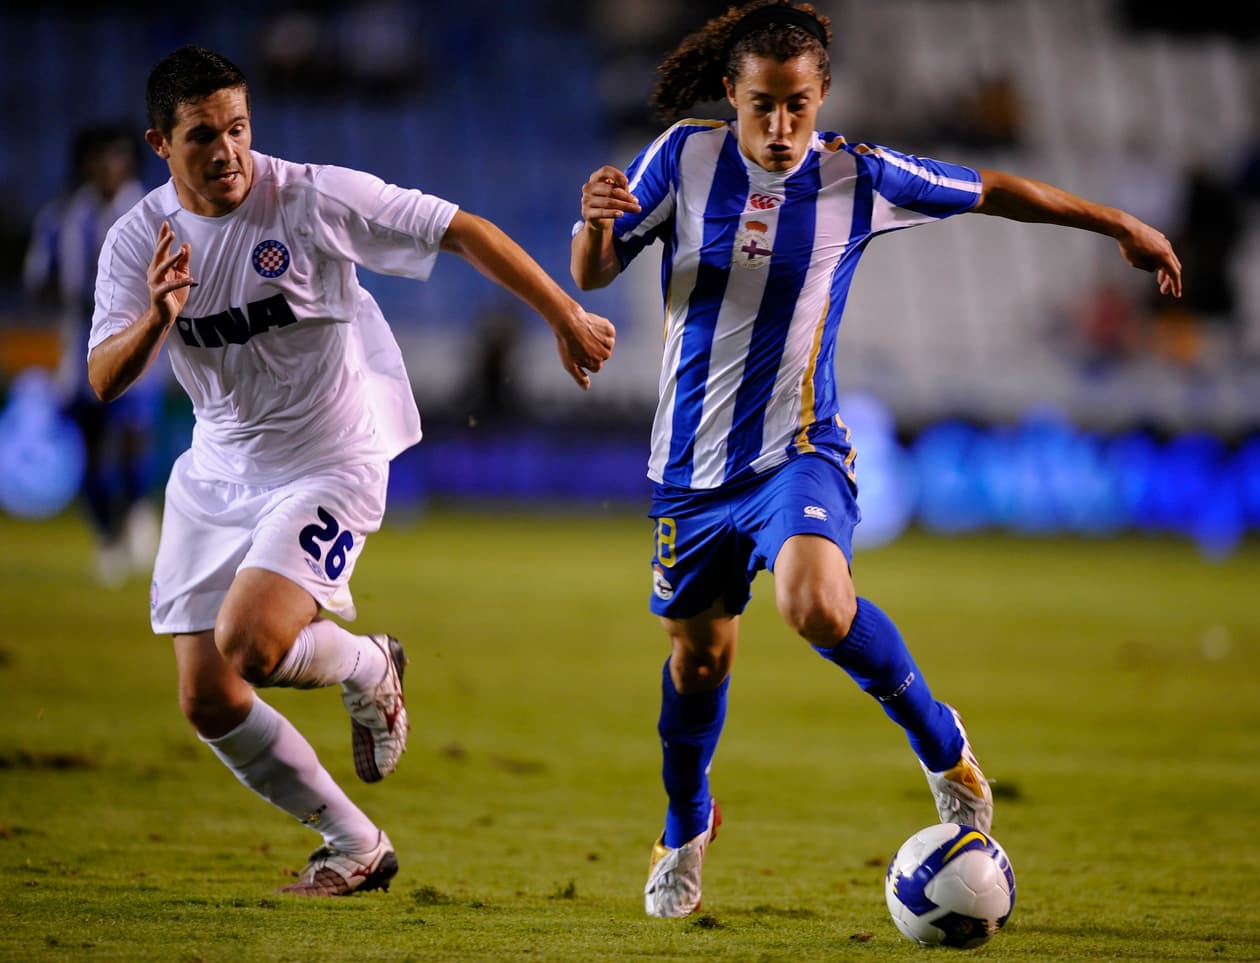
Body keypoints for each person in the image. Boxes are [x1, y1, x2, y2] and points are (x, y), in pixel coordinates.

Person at [570, 0, 1181, 919]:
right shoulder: (681, 159)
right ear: (731, 95)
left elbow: (996, 189)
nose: (780, 128)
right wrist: (592, 221)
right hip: (688, 469)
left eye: (798, 106)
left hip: (799, 450)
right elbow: (593, 271)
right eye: (763, 106)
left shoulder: (861, 175)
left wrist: (1118, 224)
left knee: (814, 602)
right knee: (698, 662)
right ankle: (686, 825)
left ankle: (943, 747)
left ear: (822, 97)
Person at [89, 45, 615, 896]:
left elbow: (460, 228)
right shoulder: (134, 243)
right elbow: (103, 378)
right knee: (207, 700)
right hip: (218, 469)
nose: (226, 151)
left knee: (252, 643)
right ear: (160, 143)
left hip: (330, 458)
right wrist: (156, 318)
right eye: (201, 137)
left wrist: (563, 313)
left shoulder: (310, 195)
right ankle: (355, 844)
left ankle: (371, 665)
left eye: (238, 128)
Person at [24, 125, 162, 586]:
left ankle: (138, 512)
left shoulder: (151, 209)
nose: (109, 168)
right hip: (80, 346)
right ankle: (107, 535)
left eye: (117, 159)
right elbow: (38, 278)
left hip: (138, 340)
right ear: (88, 165)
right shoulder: (64, 216)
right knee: (90, 450)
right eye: (101, 159)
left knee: (132, 434)